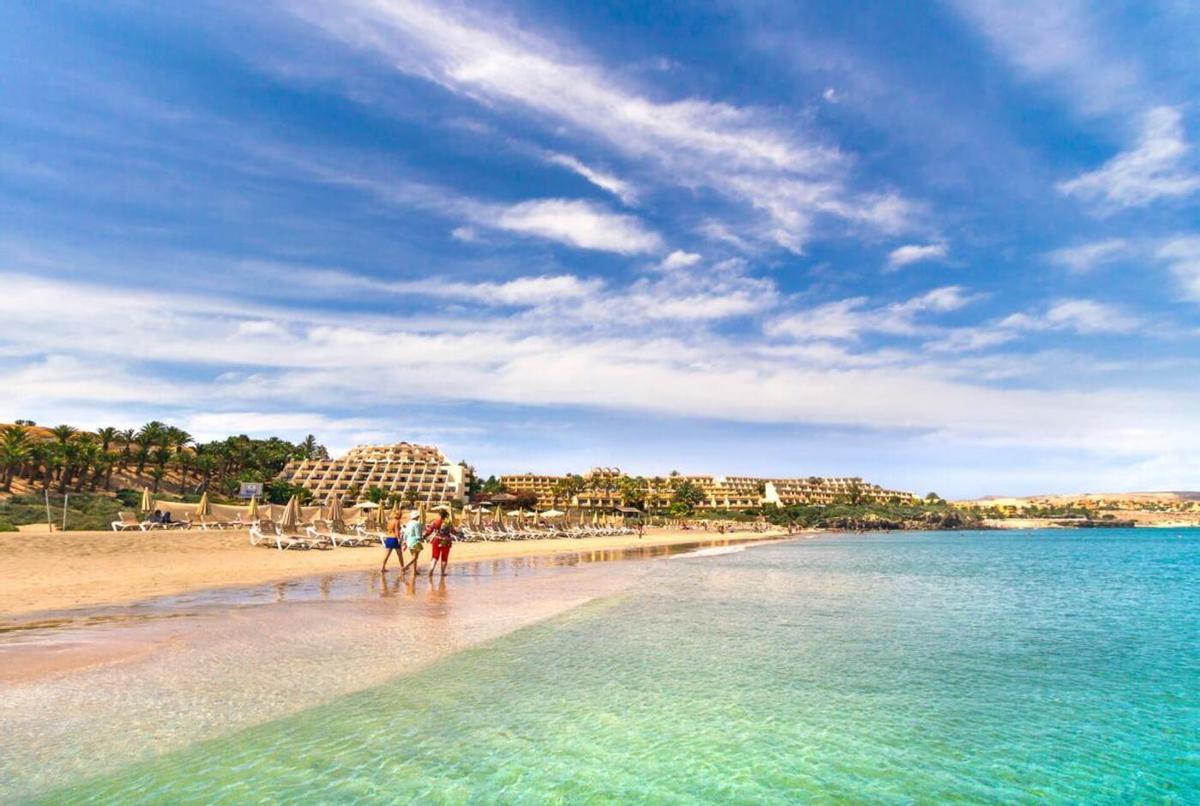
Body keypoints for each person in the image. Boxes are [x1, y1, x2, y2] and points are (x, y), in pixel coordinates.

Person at [425, 508, 456, 577]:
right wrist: (457, 532)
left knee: (435, 557)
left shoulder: (435, 521)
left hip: (436, 540)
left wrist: (424, 535)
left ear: (439, 514)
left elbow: (430, 531)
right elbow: (453, 531)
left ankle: (431, 570)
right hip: (446, 541)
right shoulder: (448, 522)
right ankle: (442, 573)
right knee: (444, 557)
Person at [401, 510, 424, 577]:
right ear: (417, 516)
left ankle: (414, 571)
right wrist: (421, 538)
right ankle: (405, 567)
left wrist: (405, 543)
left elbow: (405, 534)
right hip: (415, 542)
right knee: (415, 558)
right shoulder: (417, 523)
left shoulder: (409, 523)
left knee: (413, 557)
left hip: (409, 541)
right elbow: (418, 535)